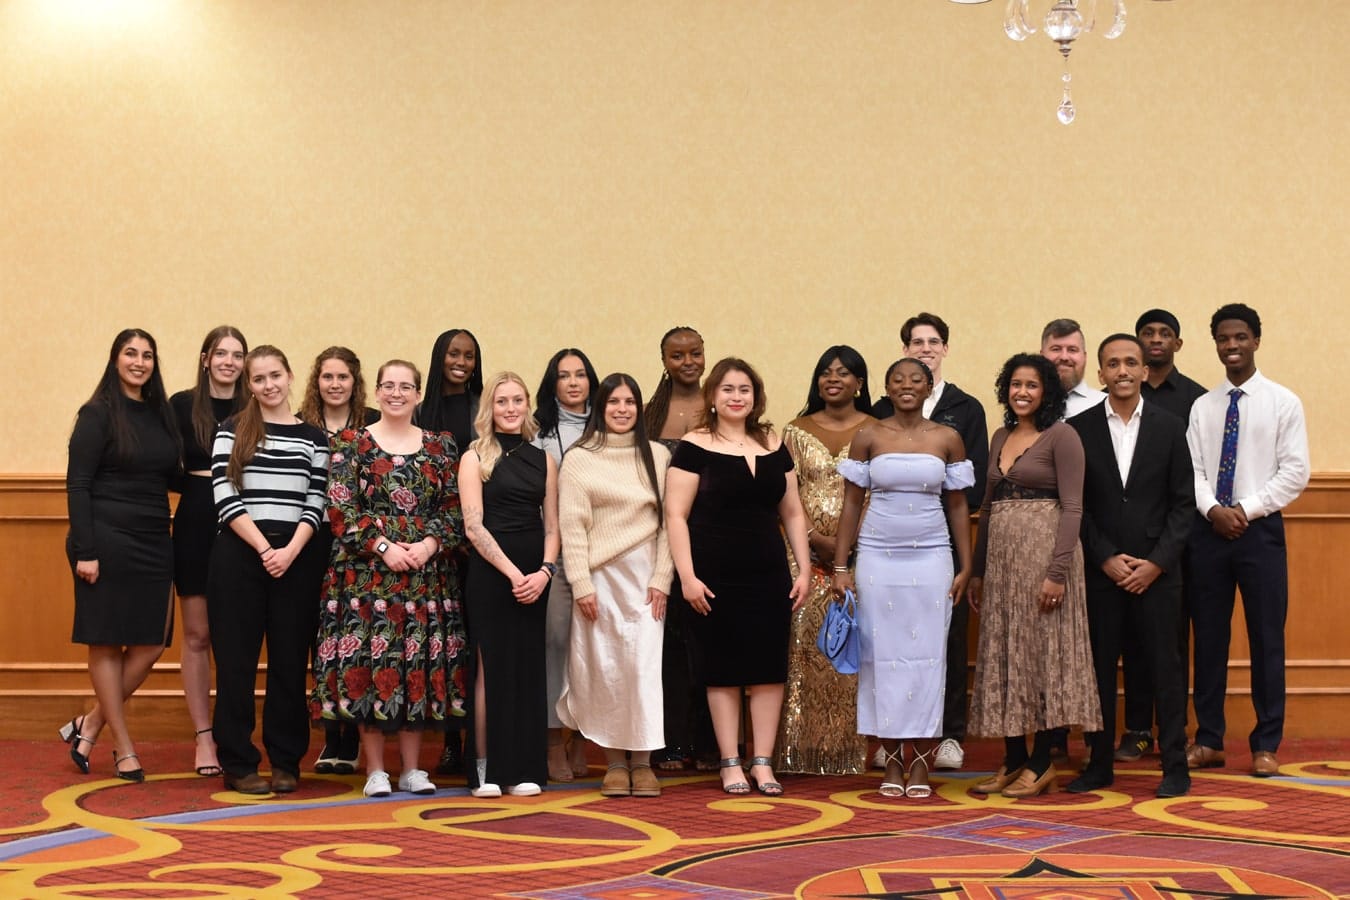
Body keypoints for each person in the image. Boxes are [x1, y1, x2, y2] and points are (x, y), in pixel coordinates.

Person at [312, 360, 465, 798]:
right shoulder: (350, 443)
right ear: (376, 392)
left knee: (416, 665)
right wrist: (383, 547)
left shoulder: (441, 446)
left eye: (406, 386)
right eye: (388, 385)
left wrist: (429, 545)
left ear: (418, 394)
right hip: (365, 578)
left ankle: (413, 769)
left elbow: (454, 510)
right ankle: (376, 769)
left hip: (426, 576)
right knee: (371, 664)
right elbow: (340, 509)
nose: (397, 393)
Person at [665, 357, 812, 796]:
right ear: (713, 396)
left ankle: (762, 763)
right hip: (713, 574)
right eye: (727, 389)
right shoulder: (693, 445)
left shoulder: (772, 442)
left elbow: (792, 510)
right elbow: (675, 515)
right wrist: (687, 577)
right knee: (723, 671)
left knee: (768, 670)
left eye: (744, 389)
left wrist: (802, 569)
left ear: (755, 396)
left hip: (768, 573)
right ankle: (730, 762)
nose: (736, 397)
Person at [834, 358, 973, 798]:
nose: (907, 386)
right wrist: (841, 566)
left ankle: (921, 761)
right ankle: (892, 756)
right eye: (898, 380)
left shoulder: (948, 438)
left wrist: (966, 566)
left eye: (916, 379)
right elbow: (852, 504)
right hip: (877, 557)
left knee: (928, 658)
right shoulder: (869, 435)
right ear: (886, 389)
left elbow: (958, 506)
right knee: (882, 658)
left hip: (932, 558)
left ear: (929, 387)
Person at [966, 353, 1100, 798]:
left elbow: (1074, 508)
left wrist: (1057, 573)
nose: (1022, 392)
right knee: (1006, 655)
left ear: (1047, 392)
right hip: (1002, 568)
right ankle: (1014, 759)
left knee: (1043, 658)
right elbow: (987, 507)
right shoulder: (1000, 434)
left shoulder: (1062, 436)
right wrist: (979, 571)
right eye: (1015, 384)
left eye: (1032, 385)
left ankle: (1042, 762)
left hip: (1045, 563)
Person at [1066, 334, 1194, 799]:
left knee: (1166, 669)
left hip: (1157, 574)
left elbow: (1184, 506)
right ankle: (1098, 763)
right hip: (1102, 574)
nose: (1122, 371)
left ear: (1144, 371)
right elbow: (1075, 506)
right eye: (1113, 363)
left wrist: (1156, 564)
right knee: (1098, 671)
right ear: (1100, 373)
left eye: (1131, 363)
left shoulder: (1170, 425)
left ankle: (1175, 766)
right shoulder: (1077, 430)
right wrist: (1104, 557)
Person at [1185, 304, 1309, 778]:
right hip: (1209, 532)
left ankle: (1265, 744)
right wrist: (1214, 510)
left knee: (1266, 638)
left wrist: (1245, 509)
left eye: (1240, 337)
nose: (1231, 346)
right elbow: (1192, 470)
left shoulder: (1283, 402)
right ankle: (1210, 740)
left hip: (1260, 534)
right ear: (1214, 343)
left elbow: (1295, 471)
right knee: (1209, 640)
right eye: (1222, 338)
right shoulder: (1204, 406)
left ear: (1256, 340)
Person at [60, 329, 181, 782]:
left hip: (153, 539)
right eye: (130, 353)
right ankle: (124, 747)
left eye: (148, 354)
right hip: (104, 542)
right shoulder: (96, 414)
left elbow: (173, 476)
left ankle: (89, 723)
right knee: (107, 642)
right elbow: (78, 484)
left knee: (150, 644)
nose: (139, 361)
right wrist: (86, 551)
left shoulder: (160, 414)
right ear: (115, 360)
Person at [209, 346, 330, 795]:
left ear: (289, 375)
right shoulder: (231, 429)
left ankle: (285, 761)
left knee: (288, 664)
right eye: (258, 379)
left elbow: (316, 500)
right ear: (250, 385)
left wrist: (289, 551)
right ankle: (239, 763)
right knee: (236, 664)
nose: (268, 385)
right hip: (240, 556)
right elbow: (223, 494)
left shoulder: (315, 438)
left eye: (275, 375)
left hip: (296, 560)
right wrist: (264, 548)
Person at [871, 313, 988, 772]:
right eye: (916, 342)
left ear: (945, 349)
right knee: (889, 641)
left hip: (939, 541)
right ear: (904, 350)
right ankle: (891, 737)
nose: (925, 348)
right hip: (886, 543)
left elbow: (970, 488)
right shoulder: (881, 410)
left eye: (933, 341)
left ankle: (949, 734)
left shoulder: (966, 408)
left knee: (947, 638)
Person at [556, 373, 673, 797]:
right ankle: (614, 763)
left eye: (630, 401)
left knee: (642, 669)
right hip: (599, 579)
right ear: (600, 408)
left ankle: (642, 762)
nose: (622, 409)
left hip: (645, 580)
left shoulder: (657, 456)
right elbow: (573, 525)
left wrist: (662, 578)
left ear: (640, 408)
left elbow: (668, 525)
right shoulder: (580, 457)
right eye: (613, 402)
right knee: (604, 669)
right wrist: (582, 583)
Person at [460, 372, 560, 798]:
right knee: (490, 670)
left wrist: (544, 572)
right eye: (502, 401)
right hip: (491, 573)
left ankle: (523, 767)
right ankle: (486, 767)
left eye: (518, 400)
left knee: (526, 669)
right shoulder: (474, 457)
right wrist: (514, 574)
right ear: (490, 408)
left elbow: (553, 527)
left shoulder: (544, 459)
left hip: (536, 577)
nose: (511, 408)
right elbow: (473, 527)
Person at [1114, 309, 1207, 764]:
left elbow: (1190, 485)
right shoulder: (1114, 398)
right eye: (1147, 334)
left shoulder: (1196, 400)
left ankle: (1173, 730)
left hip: (1176, 543)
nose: (1155, 340)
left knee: (1171, 641)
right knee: (1132, 641)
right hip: (1124, 544)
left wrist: (1166, 552)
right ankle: (1136, 730)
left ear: (1177, 343)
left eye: (1164, 333)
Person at [776, 346, 874, 775]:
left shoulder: (878, 430)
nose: (833, 379)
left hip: (863, 555)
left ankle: (851, 752)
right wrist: (813, 539)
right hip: (801, 555)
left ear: (859, 383)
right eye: (825, 373)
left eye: (844, 372)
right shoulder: (794, 431)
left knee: (853, 648)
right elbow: (785, 494)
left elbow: (879, 493)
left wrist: (847, 546)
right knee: (802, 648)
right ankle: (800, 750)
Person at [168, 325, 247, 778]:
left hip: (243, 522)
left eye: (237, 355)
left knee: (235, 638)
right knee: (197, 634)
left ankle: (233, 733)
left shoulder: (254, 405)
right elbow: (163, 465)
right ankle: (204, 738)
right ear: (205, 359)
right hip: (197, 518)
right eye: (221, 353)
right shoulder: (180, 405)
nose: (229, 362)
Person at [298, 346, 381, 775]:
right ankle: (332, 737)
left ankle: (356, 737)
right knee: (324, 640)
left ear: (355, 381)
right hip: (313, 543)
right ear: (317, 381)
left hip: (362, 548)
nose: (334, 385)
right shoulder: (301, 423)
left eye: (342, 377)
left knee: (359, 639)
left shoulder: (371, 423)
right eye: (327, 377)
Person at [644, 326, 717, 774]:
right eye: (677, 355)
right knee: (667, 644)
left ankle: (710, 744)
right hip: (661, 540)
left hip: (712, 535)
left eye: (695, 353)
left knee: (709, 639)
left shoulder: (720, 403)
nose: (687, 362)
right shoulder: (651, 414)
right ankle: (670, 741)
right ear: (664, 360)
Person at [416, 327, 482, 776]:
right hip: (438, 542)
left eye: (470, 356)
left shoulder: (485, 409)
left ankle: (480, 736)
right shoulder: (422, 412)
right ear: (440, 358)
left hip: (480, 540)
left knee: (476, 640)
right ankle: (451, 740)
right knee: (446, 641)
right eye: (454, 354)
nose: (461, 362)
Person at [533, 348, 601, 783]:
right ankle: (554, 738)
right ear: (552, 383)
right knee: (556, 643)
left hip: (603, 555)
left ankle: (583, 738)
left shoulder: (610, 425)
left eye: (580, 375)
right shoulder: (539, 430)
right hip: (555, 552)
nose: (573, 382)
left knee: (594, 647)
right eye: (564, 376)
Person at [1042, 319, 1106, 418]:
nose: (1064, 357)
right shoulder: (1025, 404)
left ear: (1084, 357)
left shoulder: (1106, 404)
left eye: (1072, 350)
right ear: (1041, 356)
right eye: (1056, 349)